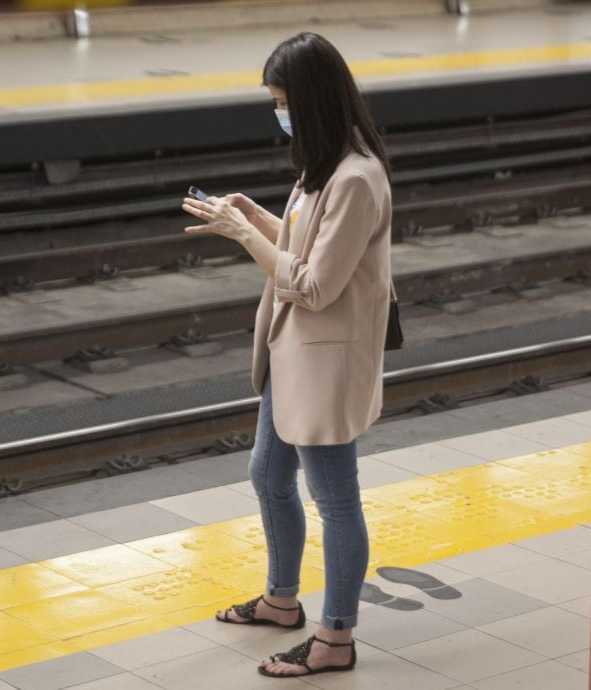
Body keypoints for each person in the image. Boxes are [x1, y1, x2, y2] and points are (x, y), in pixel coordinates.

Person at [180, 31, 392, 679]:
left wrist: (247, 238)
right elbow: (306, 251)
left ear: (315, 99)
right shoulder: (322, 165)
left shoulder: (357, 179)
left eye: (284, 100)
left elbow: (316, 283)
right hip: (289, 354)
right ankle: (280, 599)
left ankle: (336, 638)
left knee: (336, 501)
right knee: (269, 476)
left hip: (322, 365)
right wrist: (260, 217)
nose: (279, 112)